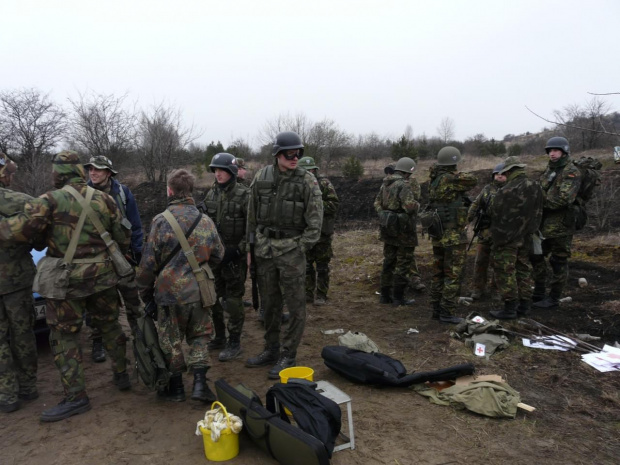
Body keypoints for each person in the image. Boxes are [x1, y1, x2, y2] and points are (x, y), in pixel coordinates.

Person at [0, 150, 132, 422]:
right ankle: (121, 375)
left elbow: (18, 231)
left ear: (59, 173)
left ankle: (76, 397)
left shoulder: (49, 200)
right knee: (110, 325)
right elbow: (123, 236)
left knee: (64, 335)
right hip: (103, 277)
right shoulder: (104, 198)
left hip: (66, 281)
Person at [137, 169, 223, 402]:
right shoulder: (205, 220)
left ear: (170, 190)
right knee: (201, 336)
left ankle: (176, 389)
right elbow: (218, 255)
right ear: (191, 191)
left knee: (170, 339)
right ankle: (199, 385)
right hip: (199, 292)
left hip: (168, 294)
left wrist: (146, 295)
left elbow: (148, 265)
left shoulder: (160, 221)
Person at [245, 131, 323, 379]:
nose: (295, 157)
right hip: (265, 250)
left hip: (291, 252)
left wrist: (301, 247)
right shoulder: (262, 176)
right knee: (269, 303)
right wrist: (251, 245)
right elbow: (252, 214)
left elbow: (315, 222)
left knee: (295, 304)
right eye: (290, 153)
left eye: (298, 153)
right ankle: (271, 349)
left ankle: (288, 354)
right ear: (277, 154)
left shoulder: (307, 181)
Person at [84, 155, 144, 363]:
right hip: (94, 261)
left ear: (108, 173)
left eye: (98, 169)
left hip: (122, 257)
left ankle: (140, 339)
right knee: (96, 306)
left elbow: (135, 225)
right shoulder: (82, 195)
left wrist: (136, 252)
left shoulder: (122, 193)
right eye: (91, 169)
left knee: (133, 301)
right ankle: (97, 341)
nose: (93, 172)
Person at [198, 153, 249, 362]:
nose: (218, 174)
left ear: (232, 172)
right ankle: (219, 336)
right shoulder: (211, 195)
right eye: (215, 170)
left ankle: (234, 341)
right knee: (213, 297)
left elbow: (252, 229)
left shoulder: (245, 195)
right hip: (214, 257)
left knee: (234, 300)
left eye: (222, 170)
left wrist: (239, 250)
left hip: (234, 258)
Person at [0, 154, 38, 414]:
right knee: (23, 335)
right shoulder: (22, 202)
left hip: (16, 282)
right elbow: (39, 238)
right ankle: (28, 386)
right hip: (17, 281)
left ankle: (7, 394)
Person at [487, 157, 543, 319]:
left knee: (505, 271)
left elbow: (496, 215)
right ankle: (524, 306)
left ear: (509, 171)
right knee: (523, 269)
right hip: (527, 236)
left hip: (507, 238)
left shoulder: (506, 190)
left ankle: (510, 308)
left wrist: (497, 240)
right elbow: (540, 209)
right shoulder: (536, 186)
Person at [426, 146, 477, 323]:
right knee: (453, 273)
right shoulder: (450, 178)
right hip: (453, 235)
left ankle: (436, 309)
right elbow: (473, 180)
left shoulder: (434, 179)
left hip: (438, 234)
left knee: (438, 271)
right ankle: (447, 312)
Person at [531, 137, 582, 309]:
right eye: (550, 151)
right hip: (543, 223)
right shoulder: (550, 169)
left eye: (556, 150)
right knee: (536, 256)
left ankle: (553, 298)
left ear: (564, 151)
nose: (552, 154)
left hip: (561, 225)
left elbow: (563, 199)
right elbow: (540, 189)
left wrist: (539, 200)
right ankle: (538, 292)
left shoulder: (571, 171)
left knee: (558, 261)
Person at [374, 157, 419, 306]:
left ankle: (385, 295)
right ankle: (398, 298)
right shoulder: (403, 185)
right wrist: (417, 205)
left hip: (388, 229)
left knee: (389, 261)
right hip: (404, 231)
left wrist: (385, 215)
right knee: (403, 263)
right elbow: (410, 207)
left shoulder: (385, 184)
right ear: (407, 172)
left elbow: (377, 203)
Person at [298, 156, 340, 305]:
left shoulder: (324, 184)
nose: (309, 173)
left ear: (315, 170)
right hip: (305, 233)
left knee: (322, 266)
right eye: (305, 170)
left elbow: (334, 205)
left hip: (323, 233)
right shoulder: (297, 185)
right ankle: (308, 294)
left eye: (311, 170)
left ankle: (321, 295)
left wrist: (315, 203)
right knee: (307, 266)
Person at [466, 163, 505, 300]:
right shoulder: (487, 189)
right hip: (485, 232)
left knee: (499, 263)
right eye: (497, 173)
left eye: (503, 173)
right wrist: (467, 220)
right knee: (480, 262)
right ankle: (477, 289)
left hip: (502, 234)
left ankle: (496, 290)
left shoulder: (511, 190)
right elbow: (475, 205)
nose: (500, 175)